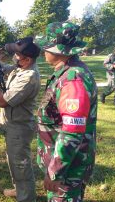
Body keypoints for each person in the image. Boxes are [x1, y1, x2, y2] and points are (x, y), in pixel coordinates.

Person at [36, 22, 97, 201]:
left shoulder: (73, 79)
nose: (44, 51)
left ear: (57, 50)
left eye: (46, 47)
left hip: (68, 170)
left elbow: (72, 133)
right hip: (65, 164)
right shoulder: (65, 73)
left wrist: (55, 173)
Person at [0, 37, 41, 202]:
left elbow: (2, 101)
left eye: (17, 55)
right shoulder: (21, 68)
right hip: (13, 124)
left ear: (27, 59)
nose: (14, 57)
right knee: (14, 161)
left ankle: (27, 198)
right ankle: (19, 190)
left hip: (19, 127)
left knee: (21, 164)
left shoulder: (29, 76)